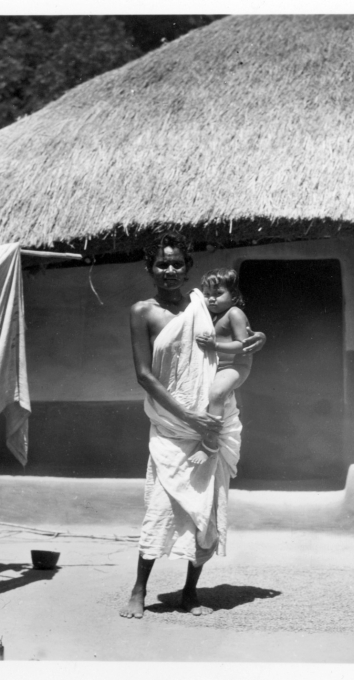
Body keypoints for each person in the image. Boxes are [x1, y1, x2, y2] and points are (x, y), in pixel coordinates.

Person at [120, 232, 265, 619]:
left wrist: (251, 344)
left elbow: (239, 338)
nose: (169, 270)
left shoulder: (205, 304)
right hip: (174, 424)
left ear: (188, 268)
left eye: (177, 263)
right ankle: (139, 590)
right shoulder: (142, 312)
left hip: (211, 424)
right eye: (161, 263)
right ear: (149, 268)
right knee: (160, 508)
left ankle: (189, 592)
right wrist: (189, 417)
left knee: (206, 509)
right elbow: (145, 376)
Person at [191, 268, 253, 464]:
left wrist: (215, 345)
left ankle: (209, 443)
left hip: (235, 366)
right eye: (207, 294)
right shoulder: (208, 316)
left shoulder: (234, 313)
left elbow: (244, 346)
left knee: (217, 393)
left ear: (233, 296)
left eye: (218, 294)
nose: (211, 299)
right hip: (215, 368)